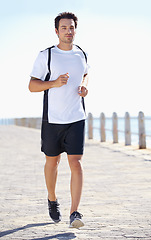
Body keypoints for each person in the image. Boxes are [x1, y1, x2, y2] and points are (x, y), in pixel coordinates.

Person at [29, 12, 88, 228]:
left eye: (71, 27)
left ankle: (75, 212)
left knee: (76, 162)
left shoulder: (82, 54)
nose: (68, 31)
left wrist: (84, 87)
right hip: (52, 119)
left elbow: (85, 74)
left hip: (76, 117)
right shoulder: (47, 55)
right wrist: (53, 83)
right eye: (64, 28)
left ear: (75, 29)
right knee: (52, 161)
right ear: (57, 31)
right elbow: (32, 86)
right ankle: (52, 199)